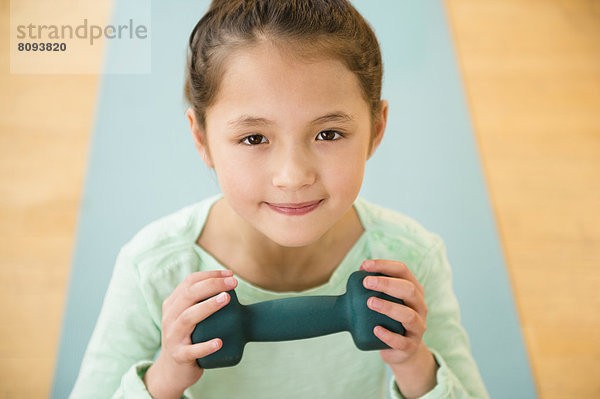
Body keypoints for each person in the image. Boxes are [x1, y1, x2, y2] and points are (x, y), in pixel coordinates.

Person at [71, 0, 489, 398]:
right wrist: (165, 377)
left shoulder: (411, 259)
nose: (293, 176)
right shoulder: (152, 270)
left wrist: (415, 363)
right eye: (253, 138)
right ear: (202, 140)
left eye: (329, 134)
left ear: (376, 130)